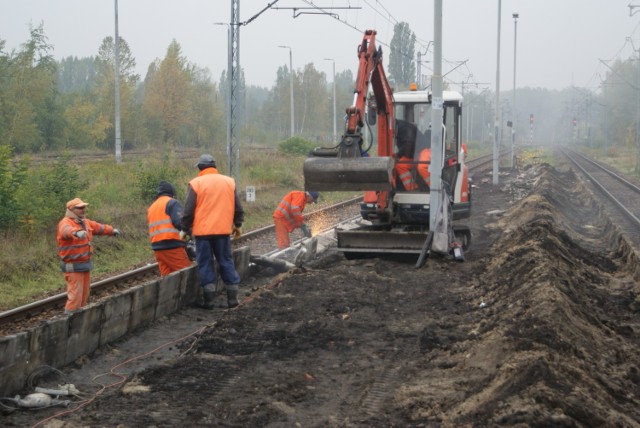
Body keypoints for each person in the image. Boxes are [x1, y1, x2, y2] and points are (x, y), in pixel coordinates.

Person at [182, 154, 244, 309]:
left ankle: (209, 300)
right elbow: (237, 206)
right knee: (225, 261)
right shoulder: (229, 182)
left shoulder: (196, 183)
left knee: (205, 263)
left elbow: (188, 210)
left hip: (203, 233)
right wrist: (238, 224)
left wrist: (185, 228)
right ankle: (232, 299)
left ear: (200, 168)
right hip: (223, 231)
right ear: (214, 167)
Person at [56, 198, 121, 314]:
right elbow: (65, 230)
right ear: (71, 209)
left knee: (84, 295)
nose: (83, 210)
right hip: (72, 266)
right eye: (79, 208)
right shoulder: (65, 222)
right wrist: (75, 232)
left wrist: (112, 231)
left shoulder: (85, 222)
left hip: (84, 265)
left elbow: (99, 228)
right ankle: (69, 319)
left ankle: (78, 319)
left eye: (83, 207)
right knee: (75, 297)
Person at [147, 180, 193, 276]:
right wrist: (190, 234)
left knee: (167, 279)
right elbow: (180, 223)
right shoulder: (172, 203)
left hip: (157, 248)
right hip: (172, 245)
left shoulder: (152, 207)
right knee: (187, 274)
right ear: (171, 192)